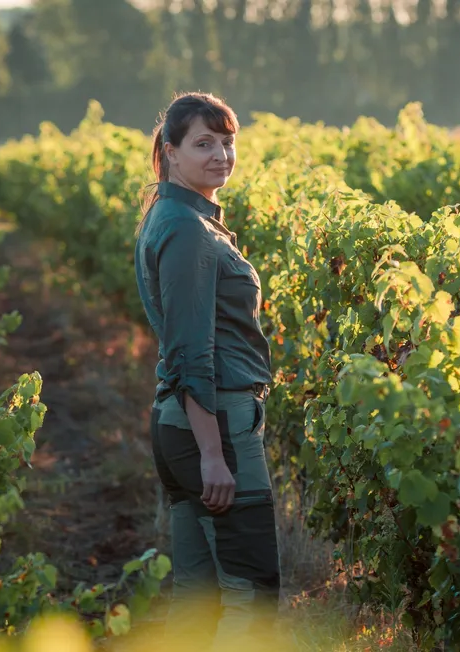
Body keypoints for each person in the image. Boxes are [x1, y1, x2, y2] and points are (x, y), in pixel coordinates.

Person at [133, 92, 281, 650]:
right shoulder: (189, 230)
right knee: (252, 593)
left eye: (227, 141)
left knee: (198, 599)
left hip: (180, 425)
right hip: (213, 425)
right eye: (204, 143)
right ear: (170, 153)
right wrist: (216, 453)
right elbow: (193, 351)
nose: (221, 154)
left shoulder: (175, 217)